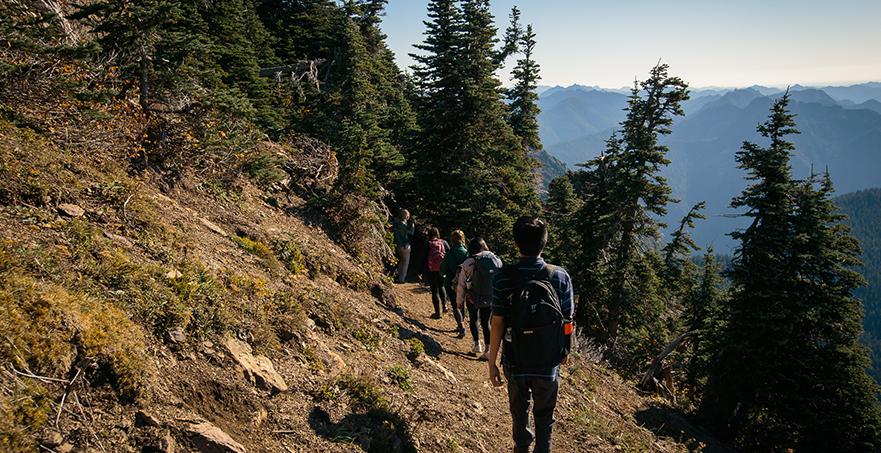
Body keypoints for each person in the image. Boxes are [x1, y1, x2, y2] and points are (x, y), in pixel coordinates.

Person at [487, 216, 574, 453]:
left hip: (515, 359)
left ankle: (522, 447)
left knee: (519, 411)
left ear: (516, 244)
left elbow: (497, 323)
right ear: (544, 242)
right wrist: (565, 351)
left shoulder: (504, 276)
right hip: (547, 362)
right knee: (545, 418)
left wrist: (492, 360)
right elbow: (567, 321)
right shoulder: (559, 276)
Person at [456, 237, 503, 360]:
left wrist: (459, 301)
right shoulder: (495, 259)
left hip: (472, 296)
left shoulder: (468, 262)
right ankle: (488, 349)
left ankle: (477, 345)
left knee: (473, 319)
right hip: (490, 296)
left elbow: (461, 284)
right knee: (486, 321)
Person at [441, 230, 469, 337]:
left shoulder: (449, 253)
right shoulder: (467, 253)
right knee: (463, 304)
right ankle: (461, 323)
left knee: (455, 305)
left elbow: (442, 270)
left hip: (451, 282)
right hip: (465, 283)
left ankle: (460, 326)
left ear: (452, 240)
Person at [426, 227, 448, 318]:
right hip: (442, 269)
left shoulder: (428, 244)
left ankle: (437, 313)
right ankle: (445, 305)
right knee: (442, 286)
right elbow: (448, 253)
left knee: (435, 290)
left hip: (431, 269)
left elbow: (424, 257)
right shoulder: (443, 242)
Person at [392, 209, 415, 283]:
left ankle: (397, 276)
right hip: (405, 245)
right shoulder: (403, 224)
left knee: (401, 261)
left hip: (397, 245)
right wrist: (413, 225)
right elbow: (410, 233)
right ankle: (401, 279)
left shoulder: (395, 223)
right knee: (405, 263)